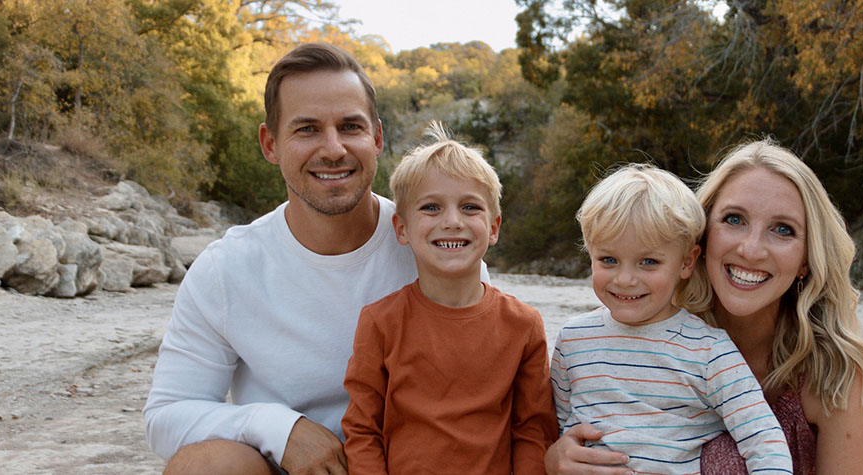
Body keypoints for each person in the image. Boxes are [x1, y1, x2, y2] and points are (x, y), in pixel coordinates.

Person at [143, 43, 484, 475]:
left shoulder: (437, 242)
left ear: (377, 138)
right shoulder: (226, 269)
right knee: (205, 465)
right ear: (270, 143)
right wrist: (276, 427)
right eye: (306, 129)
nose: (333, 148)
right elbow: (166, 416)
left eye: (350, 126)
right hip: (288, 469)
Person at [546, 140, 863, 475]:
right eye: (734, 219)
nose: (751, 250)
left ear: (807, 259)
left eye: (783, 230)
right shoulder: (623, 326)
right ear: (701, 238)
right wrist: (554, 456)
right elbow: (559, 422)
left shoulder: (832, 373)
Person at [340, 122, 556, 473]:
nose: (452, 221)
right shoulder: (380, 322)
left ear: (494, 227)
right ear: (402, 229)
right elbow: (362, 430)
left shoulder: (523, 325)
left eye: (470, 207)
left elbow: (532, 431)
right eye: (431, 208)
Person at [551, 164, 793, 475]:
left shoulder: (709, 350)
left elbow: (762, 438)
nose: (625, 279)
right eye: (608, 260)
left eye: (648, 262)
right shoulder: (573, 340)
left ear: (686, 262)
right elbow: (558, 426)